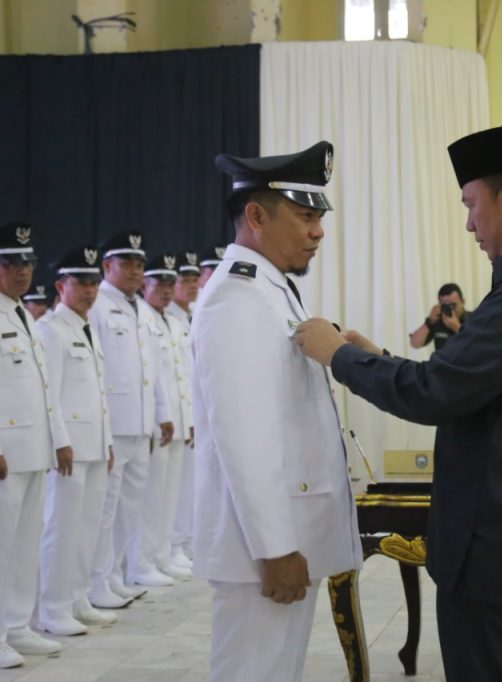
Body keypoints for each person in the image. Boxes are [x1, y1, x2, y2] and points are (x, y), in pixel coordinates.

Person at [294, 122, 502, 681]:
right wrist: (380, 354)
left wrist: (337, 357)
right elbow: (475, 383)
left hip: (498, 558)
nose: (469, 224)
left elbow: (435, 393)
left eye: (472, 205)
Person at [194, 141, 362, 682]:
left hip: (287, 536)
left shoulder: (272, 289)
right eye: (306, 215)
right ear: (256, 216)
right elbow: (244, 437)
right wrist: (275, 548)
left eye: (320, 217)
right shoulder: (239, 298)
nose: (318, 231)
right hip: (263, 550)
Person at [0, 222, 68, 667]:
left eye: (27, 262)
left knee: (25, 545)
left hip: (33, 450)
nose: (23, 271)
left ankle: (15, 625)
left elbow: (44, 388)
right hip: (4, 455)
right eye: (12, 262)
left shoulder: (24, 313)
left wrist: (57, 439)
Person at [87, 230, 173, 607]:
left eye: (140, 264)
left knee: (130, 505)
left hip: (140, 424)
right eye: (128, 264)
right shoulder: (97, 307)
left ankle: (116, 573)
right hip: (114, 423)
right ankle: (96, 582)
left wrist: (161, 414)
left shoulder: (141, 308)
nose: (137, 271)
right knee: (105, 510)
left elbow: (149, 368)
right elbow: (96, 371)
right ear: (107, 267)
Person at [36, 244, 119, 634]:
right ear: (60, 286)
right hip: (69, 448)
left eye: (93, 282)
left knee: (87, 527)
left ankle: (77, 596)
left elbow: (95, 391)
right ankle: (52, 607)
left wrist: (107, 442)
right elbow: (48, 392)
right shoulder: (51, 331)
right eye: (80, 283)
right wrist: (58, 441)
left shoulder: (86, 327)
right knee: (62, 528)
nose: (89, 290)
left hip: (94, 444)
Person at [126, 253, 193, 585]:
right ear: (144, 286)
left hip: (176, 419)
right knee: (150, 498)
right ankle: (140, 561)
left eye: (170, 284)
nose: (166, 291)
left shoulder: (173, 322)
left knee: (169, 495)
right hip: (152, 421)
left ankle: (161, 553)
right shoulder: (144, 320)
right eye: (160, 284)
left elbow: (183, 376)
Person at [168, 251, 199, 569]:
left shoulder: (188, 316)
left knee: (186, 486)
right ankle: (172, 546)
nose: (191, 285)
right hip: (166, 420)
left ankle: (182, 543)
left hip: (186, 416)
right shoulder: (168, 318)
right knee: (169, 492)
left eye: (194, 280)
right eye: (185, 280)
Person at [407, 283, 470, 352]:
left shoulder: (473, 319)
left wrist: (457, 328)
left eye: (452, 305)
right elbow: (415, 344)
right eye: (445, 305)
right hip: (441, 361)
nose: (450, 309)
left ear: (463, 302)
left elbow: (476, 348)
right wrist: (430, 321)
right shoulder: (439, 320)